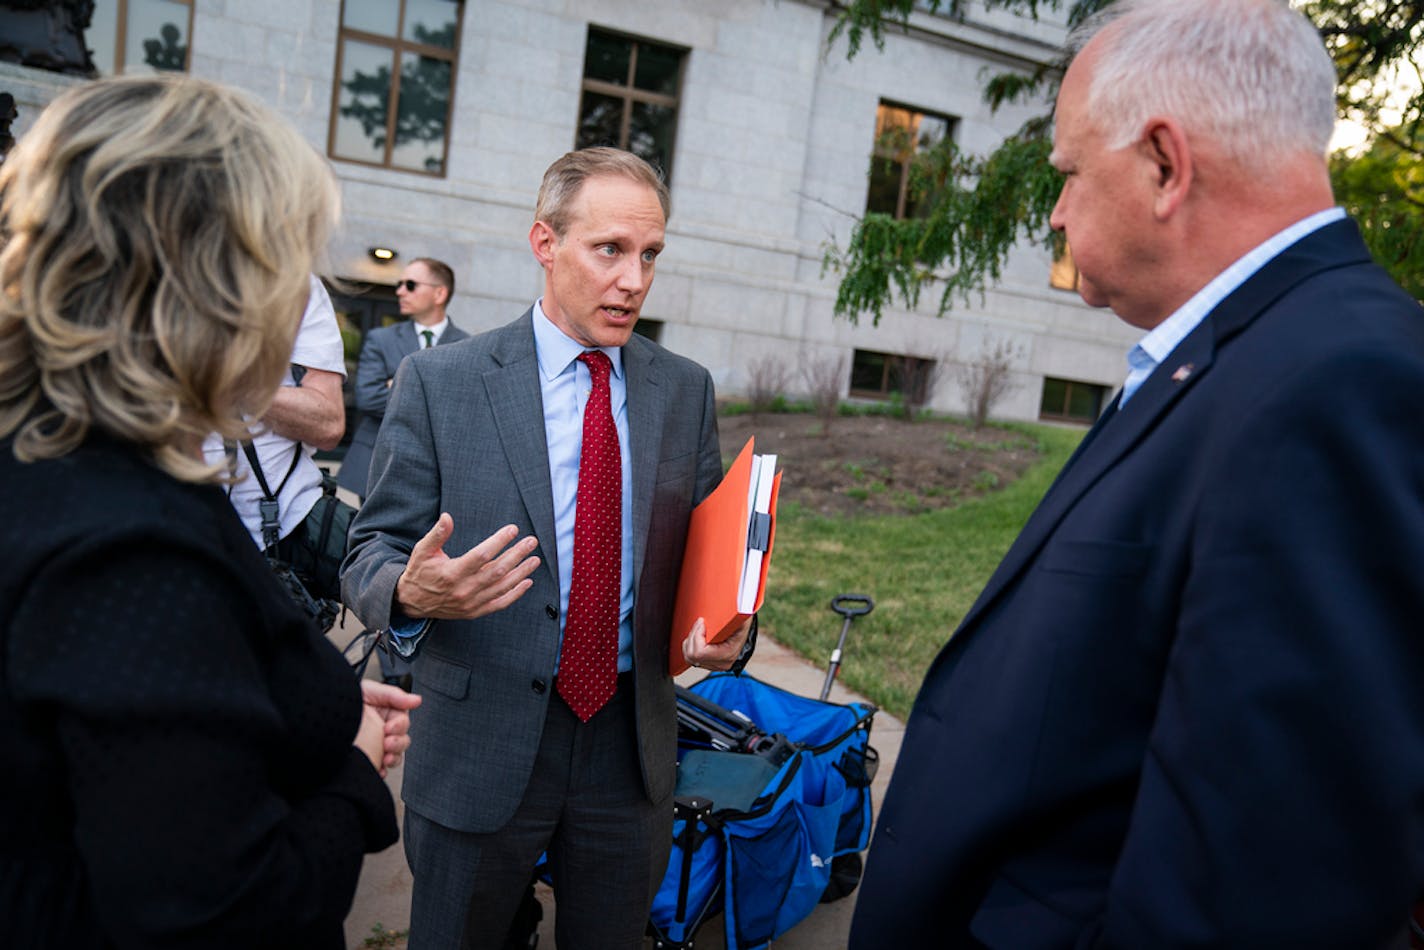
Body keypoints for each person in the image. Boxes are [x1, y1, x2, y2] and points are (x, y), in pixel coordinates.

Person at [849, 0, 1424, 946]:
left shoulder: (1341, 381)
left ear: (1164, 164)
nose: (1056, 209)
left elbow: (1261, 891)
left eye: (1071, 172)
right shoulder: (1241, 355)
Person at [0, 75, 421, 948]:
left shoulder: (52, 449)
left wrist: (301, 699)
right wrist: (349, 774)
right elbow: (219, 912)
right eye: (282, 264)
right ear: (216, 285)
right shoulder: (128, 546)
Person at [341, 146, 755, 949]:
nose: (634, 279)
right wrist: (412, 592)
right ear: (545, 243)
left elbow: (712, 560)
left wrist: (728, 630)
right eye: (610, 250)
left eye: (650, 255)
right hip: (479, 740)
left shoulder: (683, 390)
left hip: (628, 749)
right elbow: (370, 550)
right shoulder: (444, 383)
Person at [200, 275, 346, 552]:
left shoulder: (294, 285)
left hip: (275, 528)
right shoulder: (136, 273)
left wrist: (224, 379)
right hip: (158, 521)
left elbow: (328, 424)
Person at [337, 256, 469, 502]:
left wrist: (397, 385)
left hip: (437, 474)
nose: (399, 291)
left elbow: (462, 410)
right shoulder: (381, 339)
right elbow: (368, 398)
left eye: (410, 285)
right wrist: (435, 395)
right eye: (400, 284)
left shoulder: (467, 345)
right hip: (377, 465)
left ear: (439, 293)